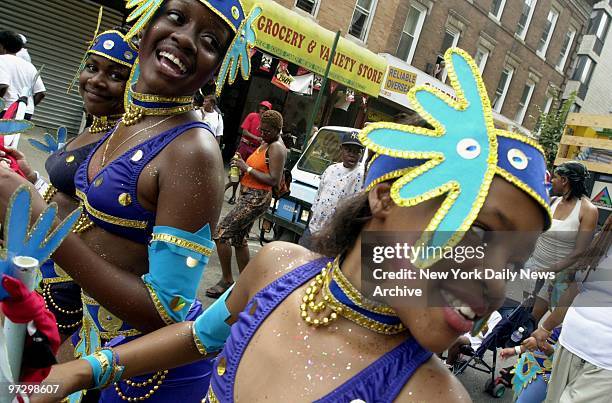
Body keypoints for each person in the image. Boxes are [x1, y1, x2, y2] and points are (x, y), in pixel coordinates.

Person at [33, 48, 552, 403]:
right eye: (479, 233)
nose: (494, 281)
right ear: (386, 197)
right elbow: (198, 337)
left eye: (517, 261)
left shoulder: (426, 394)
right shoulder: (281, 268)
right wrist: (80, 371)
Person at [0, 0, 260, 400]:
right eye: (176, 16)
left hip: (141, 374)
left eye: (209, 40)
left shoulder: (193, 150)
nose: (186, 39)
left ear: (218, 67)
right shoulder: (131, 120)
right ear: (146, 22)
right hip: (88, 342)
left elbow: (166, 310)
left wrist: (43, 224)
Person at [0, 28, 138, 341]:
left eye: (116, 74)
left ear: (135, 84)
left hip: (65, 284)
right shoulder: (96, 126)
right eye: (92, 68)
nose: (97, 81)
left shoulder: (122, 140)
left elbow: (93, 219)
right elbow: (70, 195)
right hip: (42, 266)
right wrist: (31, 177)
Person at [530, 214, 612, 403]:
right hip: (569, 346)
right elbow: (575, 289)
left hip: (605, 363)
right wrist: (545, 328)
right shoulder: (604, 240)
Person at [206, 109, 287, 298]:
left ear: (277, 130)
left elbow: (273, 179)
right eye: (261, 130)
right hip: (248, 193)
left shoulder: (277, 148)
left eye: (266, 131)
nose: (261, 134)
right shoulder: (266, 143)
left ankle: (227, 281)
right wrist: (241, 165)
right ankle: (247, 284)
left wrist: (247, 168)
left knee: (221, 234)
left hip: (258, 197)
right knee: (239, 240)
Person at [522, 161, 599, 322]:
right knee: (521, 313)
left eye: (555, 177)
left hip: (557, 275)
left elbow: (579, 251)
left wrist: (548, 271)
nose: (551, 181)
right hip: (533, 267)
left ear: (564, 180)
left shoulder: (588, 210)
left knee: (531, 320)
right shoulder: (552, 201)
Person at [299, 130, 364, 249]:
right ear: (341, 149)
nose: (352, 154)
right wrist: (310, 223)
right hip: (312, 229)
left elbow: (353, 210)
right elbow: (318, 198)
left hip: (332, 236)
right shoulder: (331, 169)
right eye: (349, 150)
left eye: (357, 151)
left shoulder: (359, 174)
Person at [225, 100, 272, 204]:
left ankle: (238, 197)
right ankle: (231, 194)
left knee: (246, 173)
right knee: (235, 172)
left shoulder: (267, 124)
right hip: (245, 146)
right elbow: (244, 131)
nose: (263, 111)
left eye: (266, 109)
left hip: (255, 150)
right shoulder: (252, 116)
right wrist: (256, 138)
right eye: (262, 108)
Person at [0, 30, 45, 120]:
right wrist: (26, 105)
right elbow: (41, 93)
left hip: (6, 110)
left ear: (3, 45)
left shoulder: (2, 59)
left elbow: (3, 86)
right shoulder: (30, 66)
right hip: (26, 112)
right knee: (13, 134)